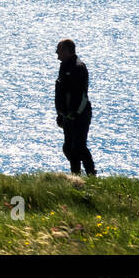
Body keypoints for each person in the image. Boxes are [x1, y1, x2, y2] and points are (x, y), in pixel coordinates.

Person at [55, 38, 96, 176]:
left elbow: (80, 94)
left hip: (80, 114)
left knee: (78, 146)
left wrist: (75, 113)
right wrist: (61, 114)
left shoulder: (78, 67)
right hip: (67, 115)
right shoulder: (64, 65)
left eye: (59, 49)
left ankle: (91, 174)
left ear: (66, 51)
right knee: (68, 148)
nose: (56, 53)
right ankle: (76, 175)